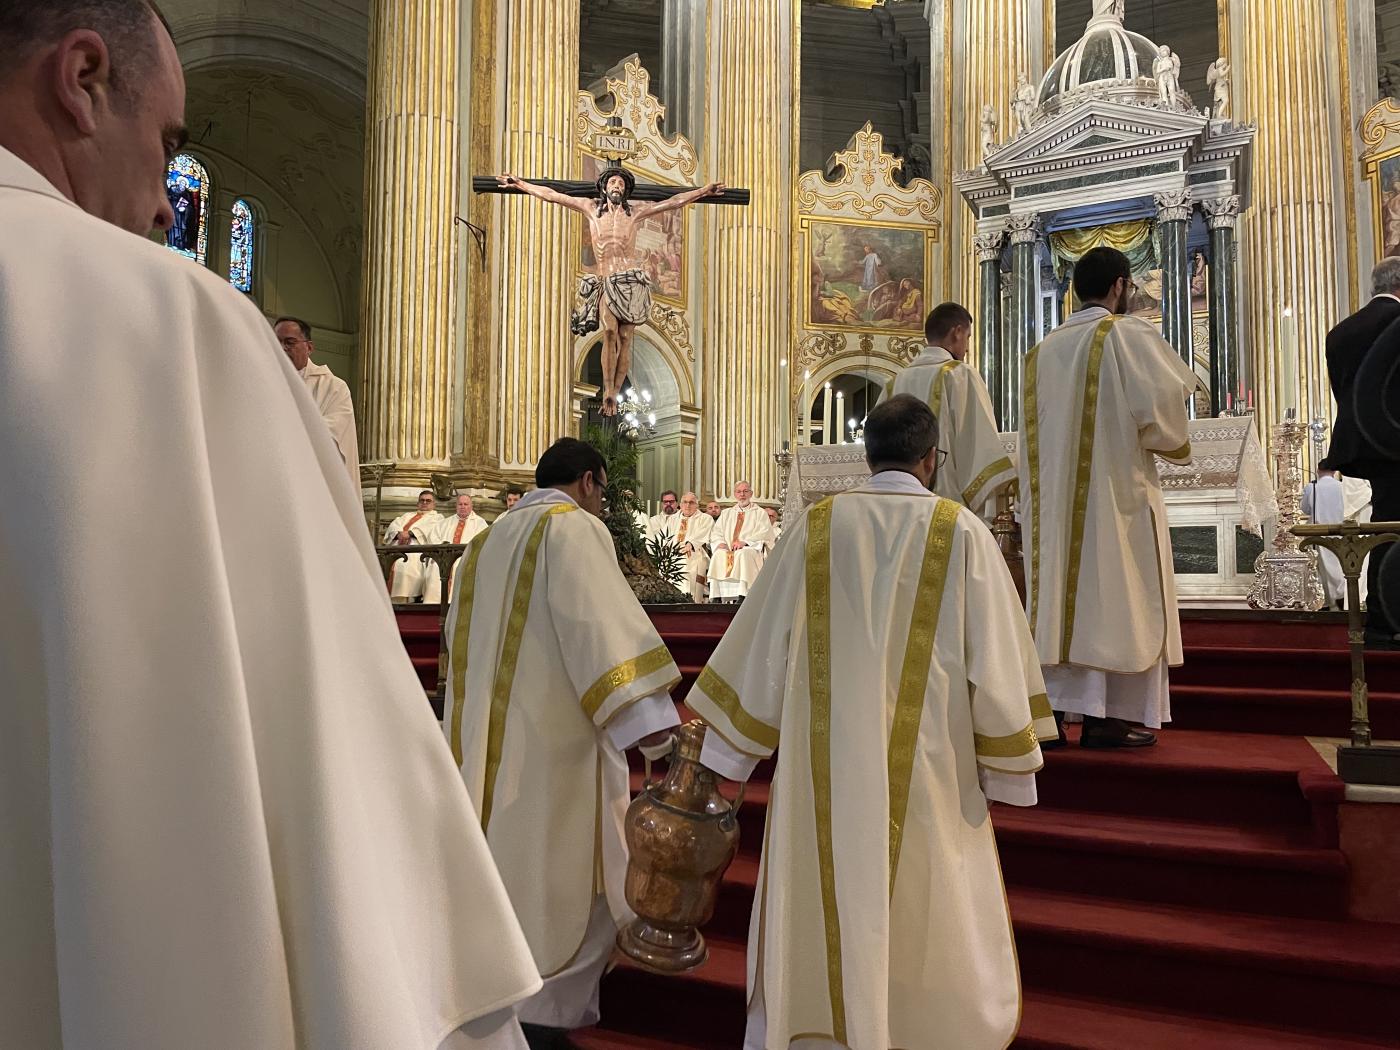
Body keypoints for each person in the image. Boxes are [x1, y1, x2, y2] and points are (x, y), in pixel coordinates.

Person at [0, 4, 540, 1048]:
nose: (165, 207)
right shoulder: (168, 323)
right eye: (164, 150)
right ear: (81, 80)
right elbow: (342, 777)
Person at [686, 395, 1054, 1050]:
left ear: (866, 454)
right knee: (929, 901)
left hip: (820, 780)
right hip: (933, 775)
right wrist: (1006, 767)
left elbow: (759, 651)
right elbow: (997, 664)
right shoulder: (963, 533)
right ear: (931, 458)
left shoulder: (816, 528)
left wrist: (728, 758)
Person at [444, 437, 682, 1044]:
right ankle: (540, 1027)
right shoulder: (571, 529)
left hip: (478, 758)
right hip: (551, 766)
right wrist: (659, 737)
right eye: (602, 492)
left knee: (499, 876)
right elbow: (600, 635)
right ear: (589, 482)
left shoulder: (480, 547)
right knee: (560, 891)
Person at [1018, 246, 1195, 748]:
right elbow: (1166, 425)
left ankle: (1049, 717)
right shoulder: (1127, 336)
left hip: (1051, 512)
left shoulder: (1040, 351)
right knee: (1113, 595)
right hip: (1114, 500)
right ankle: (1105, 719)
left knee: (1057, 602)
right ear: (1120, 285)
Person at [495, 167, 723, 415]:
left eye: (622, 184)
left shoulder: (635, 213)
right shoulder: (590, 209)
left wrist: (703, 191)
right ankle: (609, 391)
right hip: (607, 280)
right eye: (613, 182)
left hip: (631, 282)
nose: (617, 186)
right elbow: (554, 196)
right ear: (604, 187)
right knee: (610, 331)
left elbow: (672, 203)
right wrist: (521, 185)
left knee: (626, 338)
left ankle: (615, 390)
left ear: (626, 190)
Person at [1324, 256, 1400, 648]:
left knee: (1384, 524)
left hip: (1361, 443)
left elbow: (1344, 393)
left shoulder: (1341, 332)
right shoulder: (1395, 324)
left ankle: (1382, 620)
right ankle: (1389, 619)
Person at [885, 302, 1014, 516]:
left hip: (897, 507)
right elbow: (979, 445)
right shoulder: (960, 375)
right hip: (947, 508)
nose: (967, 347)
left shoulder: (895, 382)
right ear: (957, 332)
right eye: (968, 338)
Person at [275, 315, 360, 499]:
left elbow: (333, 433)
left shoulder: (334, 387)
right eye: (276, 342)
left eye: (289, 342)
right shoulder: (266, 384)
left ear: (309, 347)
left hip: (316, 485)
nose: (282, 348)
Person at [707, 481, 776, 601]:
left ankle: (743, 594)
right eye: (739, 492)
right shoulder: (726, 513)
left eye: (745, 491)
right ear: (735, 494)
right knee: (718, 554)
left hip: (750, 549)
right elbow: (716, 532)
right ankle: (717, 596)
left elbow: (764, 532)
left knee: (743, 553)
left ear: (751, 493)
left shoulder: (760, 513)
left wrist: (745, 542)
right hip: (729, 549)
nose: (742, 494)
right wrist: (721, 543)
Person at [424, 493, 488, 605]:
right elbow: (433, 537)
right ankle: (434, 605)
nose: (463, 506)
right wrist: (442, 548)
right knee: (435, 569)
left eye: (465, 504)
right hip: (444, 558)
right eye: (460, 504)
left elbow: (483, 542)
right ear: (456, 506)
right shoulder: (445, 523)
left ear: (471, 506)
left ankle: (460, 604)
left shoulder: (480, 523)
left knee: (461, 567)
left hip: (467, 558)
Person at [383, 490, 443, 601]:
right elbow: (394, 526)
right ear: (417, 503)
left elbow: (430, 529)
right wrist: (398, 534)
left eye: (428, 501)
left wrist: (410, 533)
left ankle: (407, 598)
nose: (424, 503)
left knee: (405, 566)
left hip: (417, 550)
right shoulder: (407, 515)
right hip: (395, 546)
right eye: (422, 500)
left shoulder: (437, 518)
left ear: (434, 504)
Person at [1302, 465, 1347, 609]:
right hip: (1340, 531)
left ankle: (1325, 601)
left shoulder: (1312, 487)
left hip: (1318, 532)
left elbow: (1305, 509)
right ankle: (1341, 597)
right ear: (1335, 471)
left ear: (1318, 470)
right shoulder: (1342, 487)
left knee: (1319, 568)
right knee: (1339, 565)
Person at [674, 491, 715, 602]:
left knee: (689, 562)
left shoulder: (705, 518)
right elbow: (664, 537)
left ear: (697, 505)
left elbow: (703, 534)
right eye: (685, 502)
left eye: (691, 502)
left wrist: (691, 544)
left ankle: (691, 600)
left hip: (695, 552)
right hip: (673, 553)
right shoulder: (673, 519)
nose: (688, 505)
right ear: (680, 505)